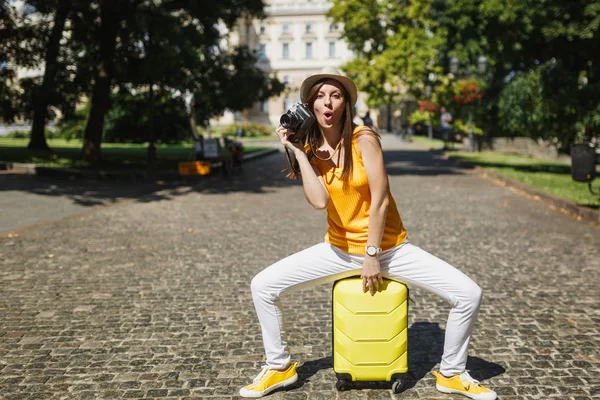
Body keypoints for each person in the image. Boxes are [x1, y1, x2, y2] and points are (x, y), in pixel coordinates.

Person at [239, 66, 497, 400]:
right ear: (309, 105)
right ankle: (279, 367)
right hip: (339, 249)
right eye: (319, 96)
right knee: (262, 285)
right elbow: (319, 202)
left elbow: (381, 200)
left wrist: (373, 255)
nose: (327, 103)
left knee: (468, 294)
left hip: (389, 249)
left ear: (345, 104)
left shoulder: (364, 139)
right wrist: (298, 151)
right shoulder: (313, 149)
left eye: (335, 95)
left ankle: (451, 372)